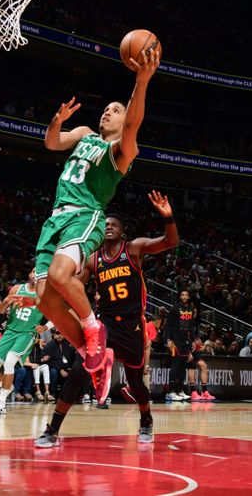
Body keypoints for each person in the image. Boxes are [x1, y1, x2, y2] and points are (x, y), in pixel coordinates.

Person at [33, 49, 160, 406]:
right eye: (107, 108)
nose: (108, 111)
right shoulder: (86, 133)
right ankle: (97, 360)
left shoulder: (122, 151)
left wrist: (142, 81)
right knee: (46, 301)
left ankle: (93, 330)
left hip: (84, 214)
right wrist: (56, 123)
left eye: (116, 110)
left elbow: (134, 123)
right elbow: (52, 143)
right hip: (54, 219)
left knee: (61, 274)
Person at [35, 190, 179, 447]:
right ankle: (52, 429)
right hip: (105, 325)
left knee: (135, 383)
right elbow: (70, 285)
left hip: (133, 325)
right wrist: (42, 289)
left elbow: (170, 242)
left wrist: (168, 217)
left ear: (122, 231)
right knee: (79, 371)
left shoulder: (134, 249)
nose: (108, 227)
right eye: (105, 225)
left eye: (113, 225)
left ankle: (146, 419)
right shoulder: (92, 258)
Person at [0, 268, 45, 416]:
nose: (35, 274)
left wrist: (46, 326)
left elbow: (59, 313)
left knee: (10, 361)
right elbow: (0, 311)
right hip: (10, 331)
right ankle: (7, 387)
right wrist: (7, 301)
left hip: (27, 333)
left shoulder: (44, 293)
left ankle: (0, 402)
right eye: (33, 271)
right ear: (29, 274)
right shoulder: (17, 288)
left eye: (39, 272)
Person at [166, 289, 198, 401]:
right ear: (180, 297)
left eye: (186, 295)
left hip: (185, 342)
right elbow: (168, 325)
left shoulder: (191, 310)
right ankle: (170, 392)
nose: (184, 296)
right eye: (182, 294)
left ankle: (180, 391)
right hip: (175, 341)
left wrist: (193, 340)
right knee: (175, 365)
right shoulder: (175, 308)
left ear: (189, 297)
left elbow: (191, 327)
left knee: (183, 367)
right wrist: (169, 339)